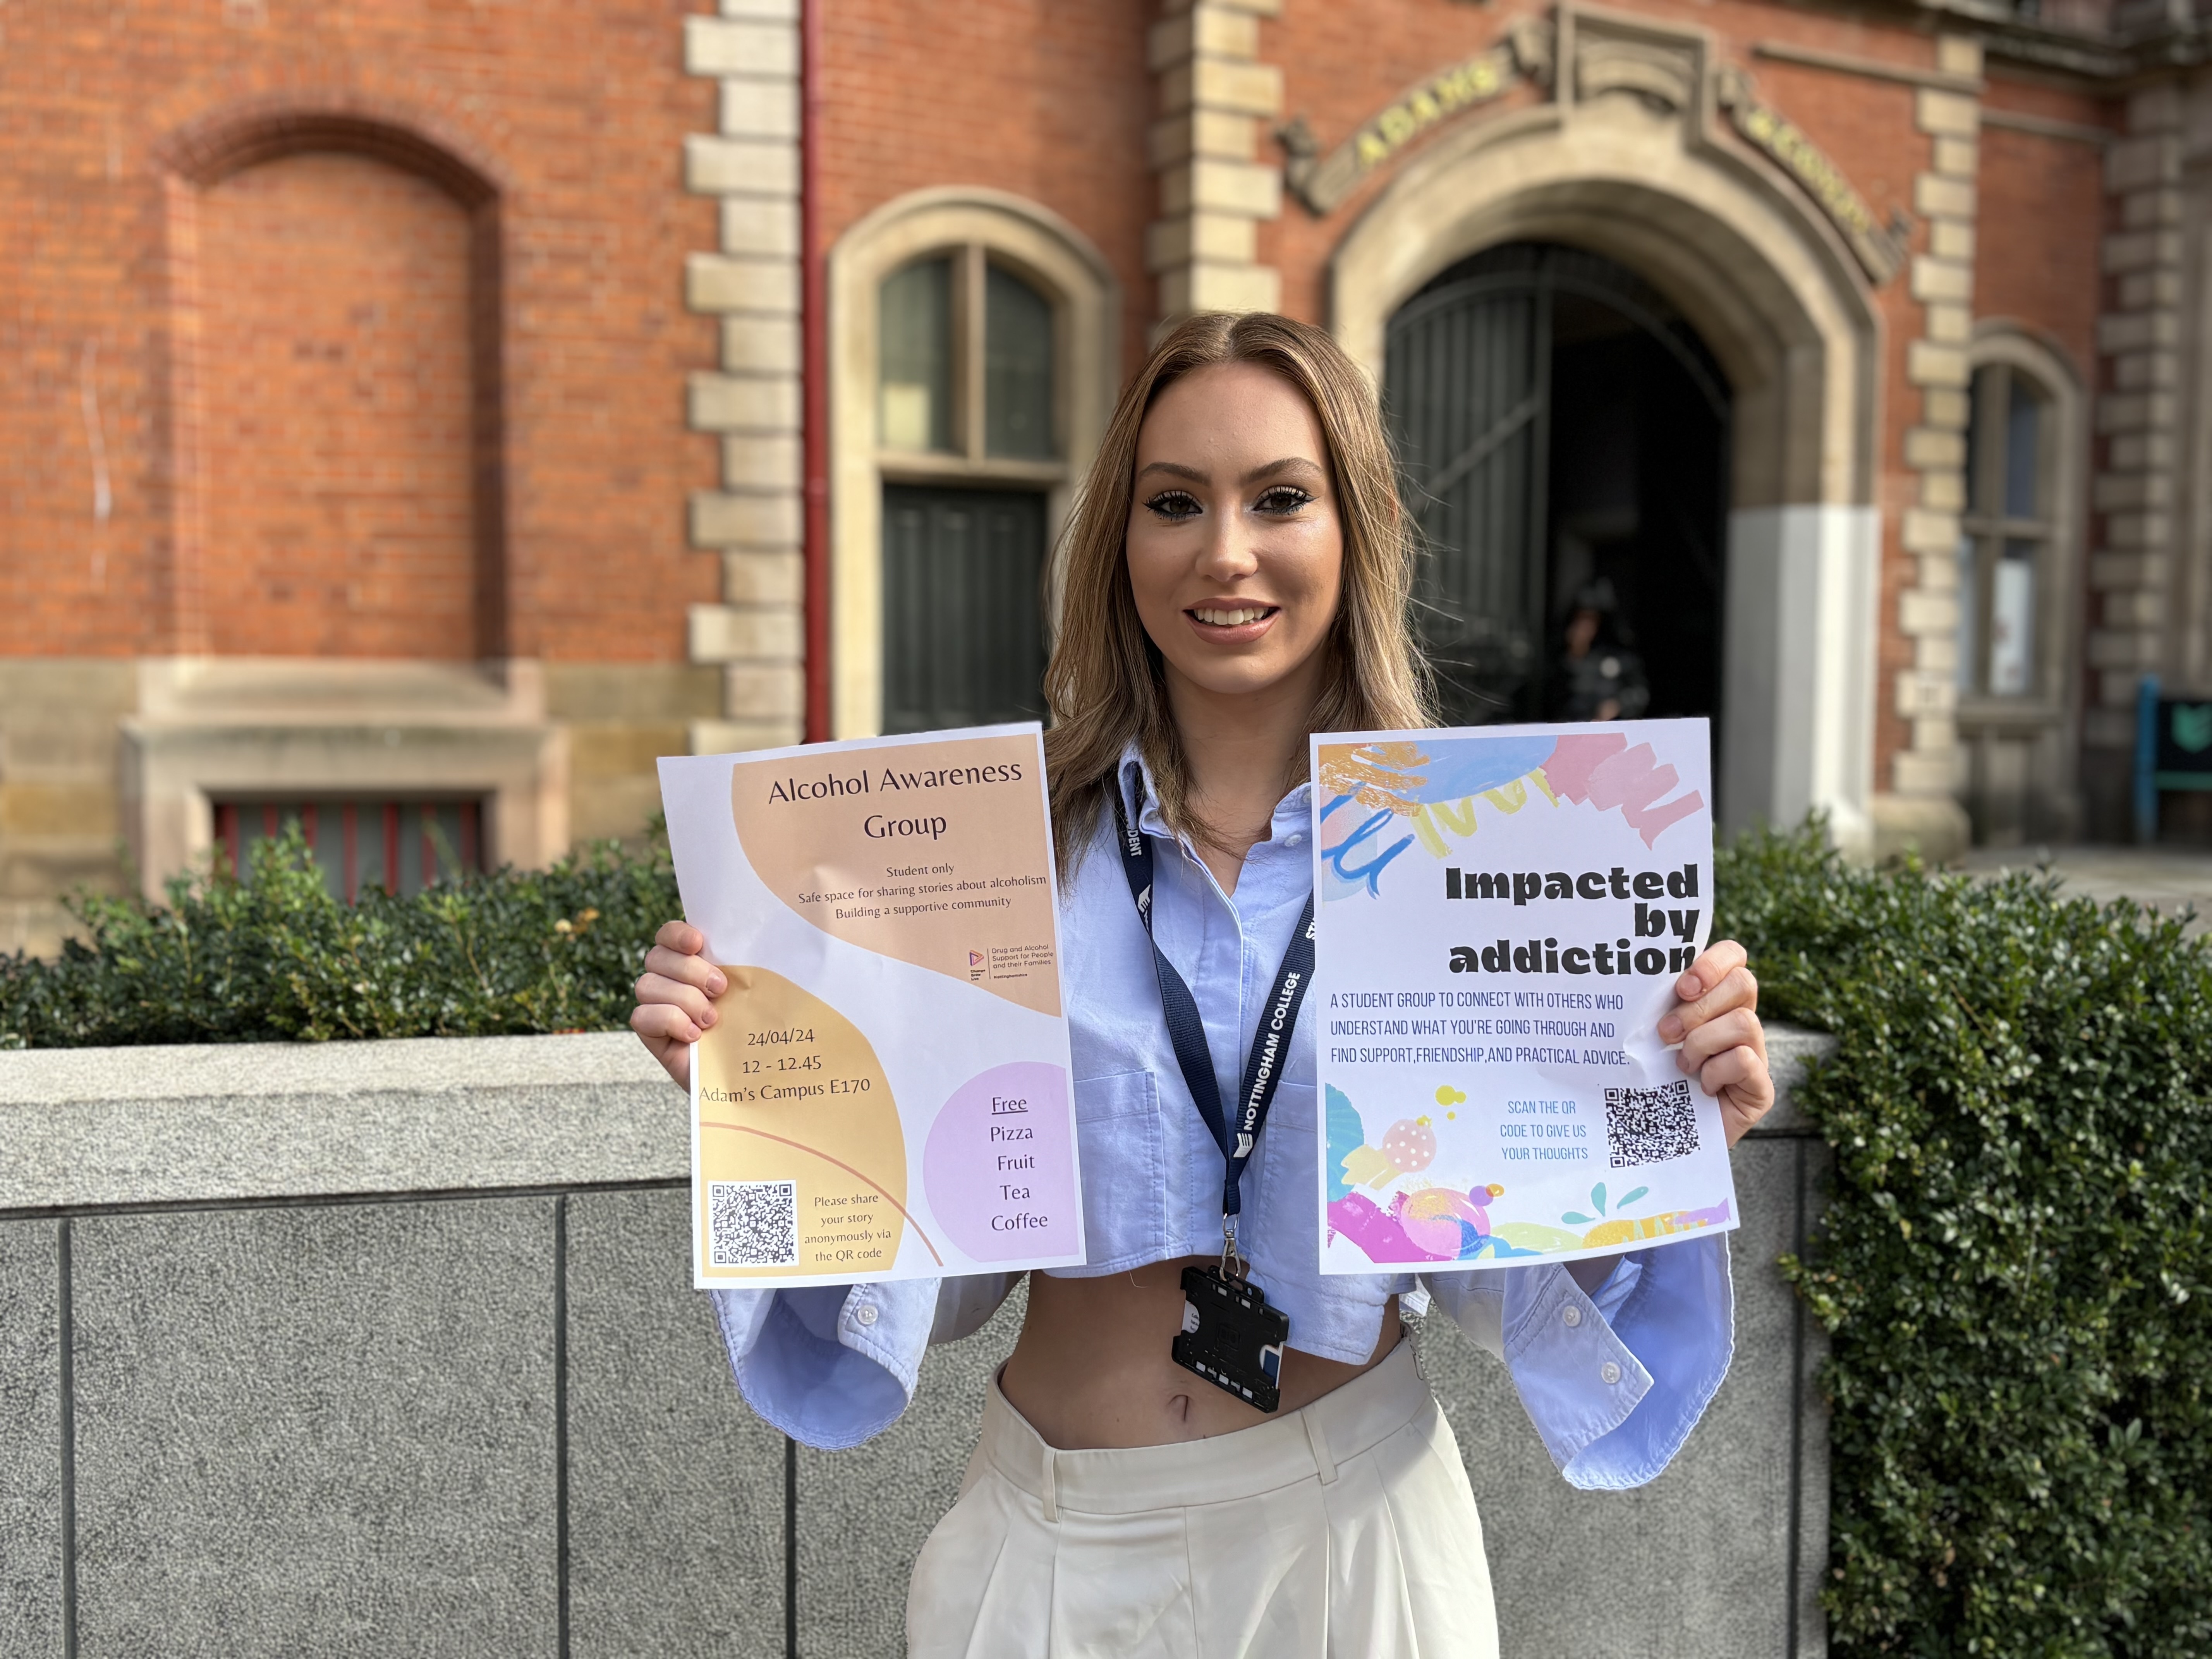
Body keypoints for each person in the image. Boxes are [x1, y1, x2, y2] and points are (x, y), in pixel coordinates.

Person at [630, 313, 1774, 1657]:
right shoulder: (986, 860)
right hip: (1049, 1544)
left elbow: (1479, 1277)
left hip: (1356, 1546)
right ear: (1120, 537)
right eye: (1175, 502)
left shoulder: (1479, 858)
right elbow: (944, 1281)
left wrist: (1665, 1116)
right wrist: (770, 1091)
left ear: (1357, 526)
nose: (1225, 552)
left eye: (1279, 498)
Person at [1553, 577, 1651, 723]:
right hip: (1573, 730)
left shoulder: (1621, 656)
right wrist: (1573, 656)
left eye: (1591, 620)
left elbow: (1640, 693)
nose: (1585, 627)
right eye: (1581, 619)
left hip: (1614, 730)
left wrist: (1618, 705)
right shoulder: (1562, 655)